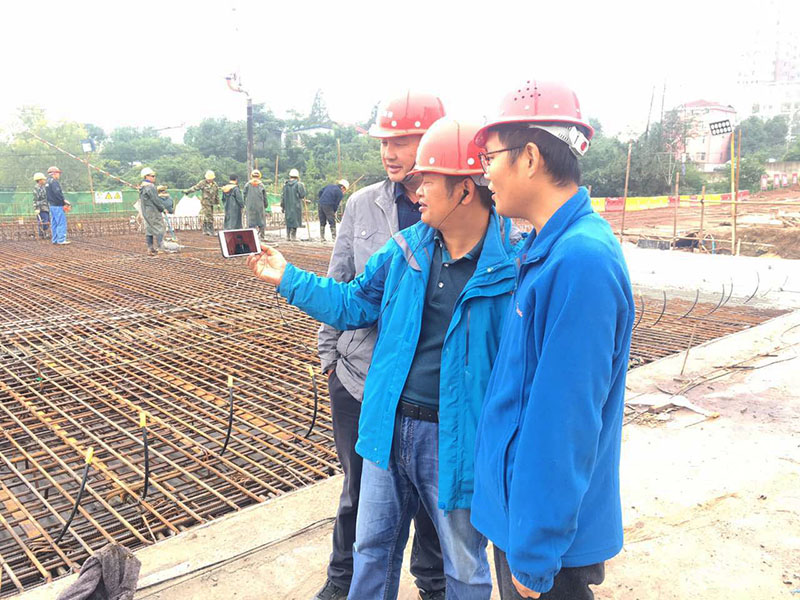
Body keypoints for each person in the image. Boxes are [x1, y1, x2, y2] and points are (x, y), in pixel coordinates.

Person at [248, 117, 522, 600]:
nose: (418, 193)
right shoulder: (406, 250)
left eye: (428, 181)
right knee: (372, 549)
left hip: (456, 439)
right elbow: (352, 302)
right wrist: (287, 277)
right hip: (388, 426)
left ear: (464, 190)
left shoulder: (513, 267)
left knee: (464, 565)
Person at [469, 80, 635, 600]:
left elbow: (566, 420)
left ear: (530, 157)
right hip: (522, 516)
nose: (485, 172)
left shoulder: (581, 261)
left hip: (545, 541)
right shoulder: (548, 246)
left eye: (491, 157)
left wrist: (536, 552)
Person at [313, 91, 447, 600]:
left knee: (435, 497)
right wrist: (329, 358)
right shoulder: (362, 204)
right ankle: (342, 579)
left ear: (433, 141)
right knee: (358, 490)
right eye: (385, 142)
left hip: (426, 385)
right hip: (360, 377)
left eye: (403, 141)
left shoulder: (458, 203)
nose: (390, 152)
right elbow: (340, 281)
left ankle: (433, 582)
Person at [139, 168, 166, 256]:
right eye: (152, 176)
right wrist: (162, 208)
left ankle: (150, 248)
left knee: (149, 228)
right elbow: (155, 200)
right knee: (159, 228)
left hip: (146, 211)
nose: (154, 178)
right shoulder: (150, 187)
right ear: (146, 176)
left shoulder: (142, 187)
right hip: (153, 211)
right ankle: (160, 248)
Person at [185, 170, 219, 235]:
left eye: (210, 179)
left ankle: (205, 230)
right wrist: (188, 191)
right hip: (205, 202)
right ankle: (210, 230)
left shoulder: (215, 185)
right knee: (209, 215)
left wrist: (217, 203)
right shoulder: (202, 183)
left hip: (211, 202)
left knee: (208, 215)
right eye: (208, 179)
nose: (209, 180)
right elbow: (195, 188)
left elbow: (216, 194)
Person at [45, 166, 71, 245]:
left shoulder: (47, 182)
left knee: (54, 223)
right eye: (58, 173)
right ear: (54, 173)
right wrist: (63, 202)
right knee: (61, 222)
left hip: (51, 205)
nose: (59, 175)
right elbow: (57, 193)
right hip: (57, 205)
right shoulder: (54, 182)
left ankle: (55, 239)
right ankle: (61, 240)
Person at [280, 168, 306, 241]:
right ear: (297, 176)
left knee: (288, 220)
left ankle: (288, 236)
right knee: (295, 220)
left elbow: (283, 196)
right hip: (296, 206)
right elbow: (302, 195)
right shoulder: (299, 184)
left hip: (287, 206)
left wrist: (282, 206)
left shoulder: (285, 185)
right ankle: (293, 236)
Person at [244, 169, 268, 238]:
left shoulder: (247, 185)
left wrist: (245, 204)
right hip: (260, 206)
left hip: (250, 207)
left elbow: (244, 195)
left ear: (252, 176)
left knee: (251, 222)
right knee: (261, 221)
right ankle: (262, 235)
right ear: (259, 176)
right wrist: (265, 205)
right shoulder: (261, 185)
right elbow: (265, 197)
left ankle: (251, 236)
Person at [32, 172, 50, 240]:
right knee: (43, 221)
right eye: (43, 179)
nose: (44, 180)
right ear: (39, 180)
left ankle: (44, 234)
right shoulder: (37, 188)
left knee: (47, 221)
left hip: (46, 207)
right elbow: (36, 199)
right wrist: (36, 208)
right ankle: (41, 234)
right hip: (41, 208)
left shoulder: (43, 187)